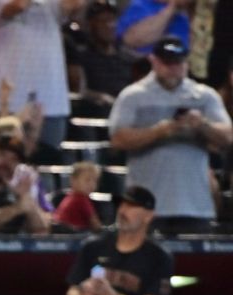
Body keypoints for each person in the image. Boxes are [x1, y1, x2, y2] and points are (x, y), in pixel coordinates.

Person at [109, 36, 233, 235]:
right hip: (145, 206)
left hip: (194, 205)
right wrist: (159, 131)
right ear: (153, 61)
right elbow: (118, 139)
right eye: (167, 62)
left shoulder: (204, 96)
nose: (172, 68)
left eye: (178, 62)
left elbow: (228, 138)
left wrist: (203, 126)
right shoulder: (133, 96)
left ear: (186, 62)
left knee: (194, 266)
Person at [0, 0, 83, 150]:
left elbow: (74, 5)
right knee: (8, 162)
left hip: (51, 104)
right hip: (10, 104)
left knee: (48, 165)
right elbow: (18, 6)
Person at [65, 0, 136, 115]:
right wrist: (98, 96)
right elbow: (77, 90)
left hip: (124, 113)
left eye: (112, 20)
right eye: (103, 21)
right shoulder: (80, 57)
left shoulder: (127, 58)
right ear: (90, 24)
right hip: (93, 114)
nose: (110, 25)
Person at [116, 0, 190, 55]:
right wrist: (172, 6)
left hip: (185, 66)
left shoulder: (185, 11)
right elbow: (131, 40)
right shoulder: (140, 5)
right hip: (148, 66)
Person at [52, 161, 102, 233]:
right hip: (73, 237)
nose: (91, 184)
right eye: (87, 180)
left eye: (95, 181)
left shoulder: (73, 196)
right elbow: (95, 224)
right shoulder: (80, 199)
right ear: (73, 181)